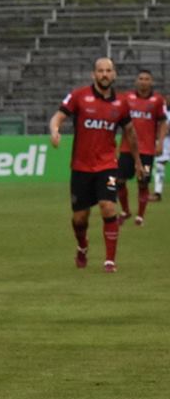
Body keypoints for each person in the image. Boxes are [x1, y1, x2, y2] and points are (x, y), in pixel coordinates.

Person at [50, 57, 143, 273]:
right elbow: (58, 117)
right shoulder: (79, 96)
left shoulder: (121, 103)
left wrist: (137, 160)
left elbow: (130, 132)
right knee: (80, 218)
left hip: (107, 164)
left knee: (108, 206)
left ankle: (110, 260)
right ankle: (82, 246)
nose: (104, 74)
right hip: (81, 167)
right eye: (100, 71)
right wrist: (54, 130)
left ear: (114, 74)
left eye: (108, 70)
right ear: (94, 74)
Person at [115, 69, 166, 226]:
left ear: (151, 82)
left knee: (143, 182)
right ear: (136, 81)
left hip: (146, 150)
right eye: (141, 78)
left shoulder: (158, 100)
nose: (143, 81)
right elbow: (117, 119)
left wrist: (160, 142)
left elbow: (163, 122)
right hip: (126, 148)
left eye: (147, 79)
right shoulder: (127, 98)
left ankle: (140, 217)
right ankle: (125, 211)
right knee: (118, 180)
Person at [152, 135, 170, 202]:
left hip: (164, 141)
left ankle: (157, 193)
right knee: (159, 166)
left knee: (160, 166)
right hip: (164, 142)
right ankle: (157, 193)